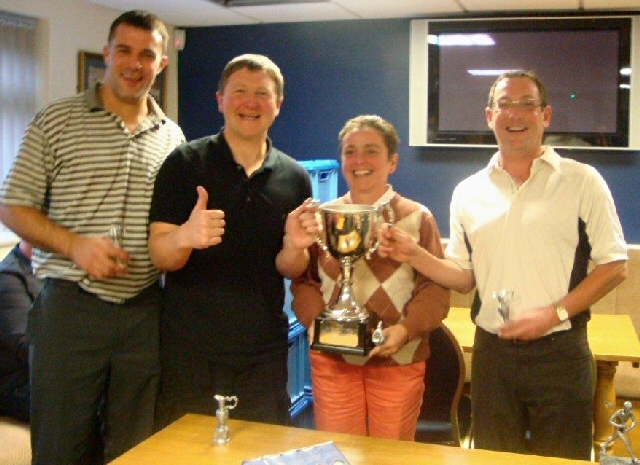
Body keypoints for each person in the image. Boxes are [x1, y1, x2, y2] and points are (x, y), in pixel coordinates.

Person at [379, 70, 628, 459]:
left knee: (562, 460)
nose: (515, 113)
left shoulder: (582, 182)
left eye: (527, 103)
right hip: (492, 357)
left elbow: (615, 265)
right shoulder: (468, 192)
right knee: (493, 457)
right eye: (504, 104)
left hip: (561, 353)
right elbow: (463, 279)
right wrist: (415, 254)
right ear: (489, 115)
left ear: (545, 116)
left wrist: (553, 313)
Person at [0, 10, 185, 464]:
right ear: (107, 53)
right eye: (123, 50)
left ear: (162, 64)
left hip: (143, 313)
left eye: (147, 54)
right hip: (69, 310)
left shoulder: (173, 139)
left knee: (135, 448)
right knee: (61, 447)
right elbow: (12, 206)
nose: (133, 63)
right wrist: (75, 246)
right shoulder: (57, 121)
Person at [148, 53, 317, 430]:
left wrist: (294, 247)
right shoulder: (183, 164)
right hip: (191, 355)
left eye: (262, 93)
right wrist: (185, 236)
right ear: (220, 100)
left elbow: (290, 269)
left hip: (263, 356)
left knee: (260, 454)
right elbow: (160, 255)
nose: (250, 102)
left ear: (278, 104)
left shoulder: (295, 177)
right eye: (239, 91)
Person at [290, 115, 450, 441]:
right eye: (350, 152)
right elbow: (304, 282)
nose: (359, 160)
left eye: (371, 151)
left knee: (388, 457)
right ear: (342, 161)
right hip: (333, 361)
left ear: (392, 161)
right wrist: (315, 325)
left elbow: (435, 288)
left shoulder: (418, 217)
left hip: (398, 360)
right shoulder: (323, 217)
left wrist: (405, 330)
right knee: (340, 455)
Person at [0, 240, 41, 422]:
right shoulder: (8, 278)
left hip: (47, 374)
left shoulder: (58, 273)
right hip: (18, 383)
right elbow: (26, 346)